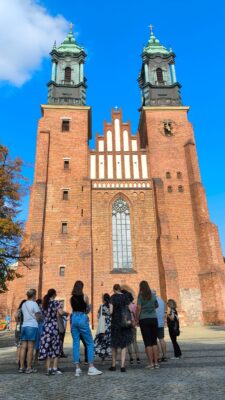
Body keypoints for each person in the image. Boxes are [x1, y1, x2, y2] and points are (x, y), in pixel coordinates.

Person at [70, 280, 102, 376]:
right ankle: (91, 367)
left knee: (75, 343)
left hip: (74, 318)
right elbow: (87, 310)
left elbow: (73, 309)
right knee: (89, 343)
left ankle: (77, 368)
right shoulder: (85, 296)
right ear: (81, 287)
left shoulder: (71, 298)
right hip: (82, 318)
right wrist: (90, 306)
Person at [39, 288, 64, 375]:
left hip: (46, 328)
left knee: (47, 347)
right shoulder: (56, 303)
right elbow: (61, 313)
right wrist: (66, 313)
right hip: (54, 327)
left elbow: (41, 316)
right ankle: (55, 368)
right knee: (56, 347)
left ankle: (48, 369)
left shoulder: (44, 304)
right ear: (53, 294)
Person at [109, 284, 133, 372]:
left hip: (115, 322)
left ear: (114, 290)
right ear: (120, 289)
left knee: (114, 344)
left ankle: (113, 365)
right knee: (124, 344)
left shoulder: (112, 297)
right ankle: (122, 366)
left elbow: (111, 312)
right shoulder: (125, 297)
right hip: (124, 322)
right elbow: (131, 309)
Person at [137, 281, 159, 369]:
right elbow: (156, 306)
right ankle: (156, 363)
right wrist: (151, 309)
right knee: (154, 342)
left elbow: (138, 308)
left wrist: (137, 319)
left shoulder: (140, 296)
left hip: (144, 319)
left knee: (147, 343)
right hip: (154, 319)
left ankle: (151, 363)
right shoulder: (153, 296)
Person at [19, 289, 41, 373]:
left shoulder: (24, 304)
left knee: (23, 347)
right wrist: (38, 321)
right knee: (31, 348)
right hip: (32, 326)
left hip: (24, 326)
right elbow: (38, 317)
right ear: (34, 295)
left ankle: (21, 367)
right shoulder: (34, 304)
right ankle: (29, 367)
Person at [94, 293, 112, 362]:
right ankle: (112, 357)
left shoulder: (102, 306)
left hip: (103, 326)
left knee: (102, 341)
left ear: (103, 299)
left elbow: (98, 316)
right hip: (110, 325)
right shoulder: (111, 306)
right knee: (110, 341)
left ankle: (103, 359)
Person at [126, 292, 140, 364]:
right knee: (135, 341)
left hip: (128, 324)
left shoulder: (125, 306)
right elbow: (137, 315)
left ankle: (131, 358)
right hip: (134, 324)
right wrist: (136, 322)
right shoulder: (134, 306)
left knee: (128, 342)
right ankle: (137, 358)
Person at [154, 291, 167, 362]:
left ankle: (158, 356)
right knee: (161, 339)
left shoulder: (152, 301)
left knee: (155, 341)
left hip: (154, 323)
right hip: (161, 323)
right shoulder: (162, 301)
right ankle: (164, 356)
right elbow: (164, 311)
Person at [15, 299, 26, 367]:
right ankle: (20, 359)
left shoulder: (18, 310)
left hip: (18, 327)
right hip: (22, 327)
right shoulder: (23, 310)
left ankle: (17, 359)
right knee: (21, 345)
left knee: (18, 345)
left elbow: (15, 316)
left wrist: (17, 321)